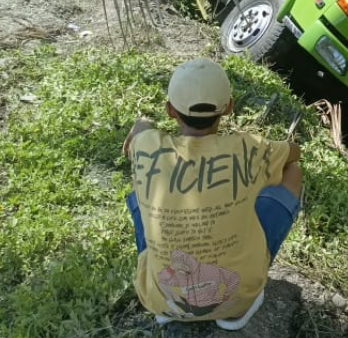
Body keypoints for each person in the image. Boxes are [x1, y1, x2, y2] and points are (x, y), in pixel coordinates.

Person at [123, 59, 302, 330]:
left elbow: (139, 135)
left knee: (141, 193)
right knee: (293, 171)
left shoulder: (147, 145)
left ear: (170, 110)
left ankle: (171, 310)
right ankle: (235, 310)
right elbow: (294, 154)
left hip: (159, 299)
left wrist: (142, 124)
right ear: (229, 107)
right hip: (238, 300)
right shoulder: (248, 148)